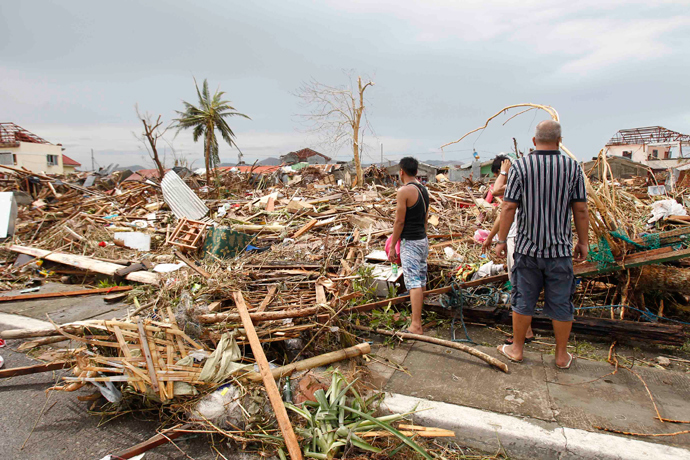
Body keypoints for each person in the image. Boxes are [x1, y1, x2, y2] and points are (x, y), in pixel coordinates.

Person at [495, 120, 589, 369]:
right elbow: (580, 208)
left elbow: (508, 206)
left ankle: (516, 349)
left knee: (523, 299)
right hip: (559, 251)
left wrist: (501, 240)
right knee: (561, 303)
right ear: (560, 141)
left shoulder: (521, 166)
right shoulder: (572, 168)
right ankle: (560, 357)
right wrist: (584, 241)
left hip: (527, 249)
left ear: (534, 141)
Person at [482, 154, 535, 344]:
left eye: (497, 174)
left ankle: (523, 333)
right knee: (521, 285)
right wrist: (490, 237)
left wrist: (504, 171)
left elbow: (496, 190)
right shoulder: (521, 185)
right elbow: (503, 213)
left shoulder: (517, 183)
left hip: (517, 240)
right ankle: (525, 330)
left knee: (519, 286)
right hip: (520, 239)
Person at [388, 157, 430, 335]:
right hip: (422, 240)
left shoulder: (404, 191)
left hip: (410, 242)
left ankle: (416, 324)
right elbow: (425, 218)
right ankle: (420, 315)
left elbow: (399, 221)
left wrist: (392, 246)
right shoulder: (423, 189)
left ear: (402, 172)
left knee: (413, 282)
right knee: (421, 279)